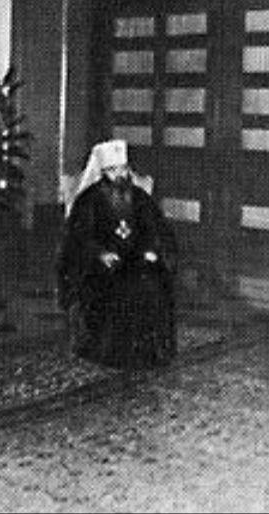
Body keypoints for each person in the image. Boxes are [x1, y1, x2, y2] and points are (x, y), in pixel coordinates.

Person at [56, 139, 178, 369]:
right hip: (101, 263)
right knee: (122, 288)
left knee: (152, 281)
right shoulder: (89, 200)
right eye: (113, 170)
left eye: (123, 169)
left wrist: (151, 250)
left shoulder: (139, 197)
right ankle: (114, 352)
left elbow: (155, 228)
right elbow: (78, 238)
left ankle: (150, 352)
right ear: (103, 172)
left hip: (137, 259)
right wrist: (99, 254)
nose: (120, 175)